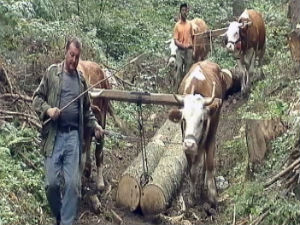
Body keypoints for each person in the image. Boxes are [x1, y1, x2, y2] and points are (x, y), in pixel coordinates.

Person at [33, 37, 104, 225]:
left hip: (73, 136)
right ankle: (59, 216)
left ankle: (66, 221)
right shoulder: (52, 73)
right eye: (71, 55)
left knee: (73, 185)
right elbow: (37, 99)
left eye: (77, 57)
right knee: (51, 185)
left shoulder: (81, 80)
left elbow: (87, 110)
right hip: (54, 136)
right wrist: (48, 109)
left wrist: (95, 126)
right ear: (66, 52)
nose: (73, 60)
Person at [173, 3, 194, 90]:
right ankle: (176, 89)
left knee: (188, 70)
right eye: (183, 10)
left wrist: (191, 46)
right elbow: (175, 40)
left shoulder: (190, 24)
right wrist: (181, 45)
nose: (185, 12)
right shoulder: (177, 25)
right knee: (178, 68)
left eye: (186, 11)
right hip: (180, 50)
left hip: (188, 51)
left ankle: (186, 89)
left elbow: (193, 37)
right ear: (180, 12)